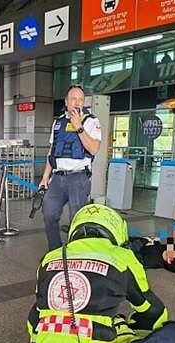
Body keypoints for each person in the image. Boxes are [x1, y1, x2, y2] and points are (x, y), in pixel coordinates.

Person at [28, 204, 175, 343]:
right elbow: (153, 313)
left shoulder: (49, 259)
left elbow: (33, 322)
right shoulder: (124, 256)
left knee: (103, 321)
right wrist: (131, 335)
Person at [40, 85, 102, 251]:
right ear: (66, 102)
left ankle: (76, 254)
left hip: (78, 178)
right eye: (74, 99)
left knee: (77, 220)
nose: (77, 102)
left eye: (81, 99)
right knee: (49, 214)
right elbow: (52, 151)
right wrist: (45, 176)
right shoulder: (58, 122)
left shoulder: (91, 121)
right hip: (57, 177)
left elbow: (94, 148)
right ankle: (54, 251)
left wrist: (78, 126)